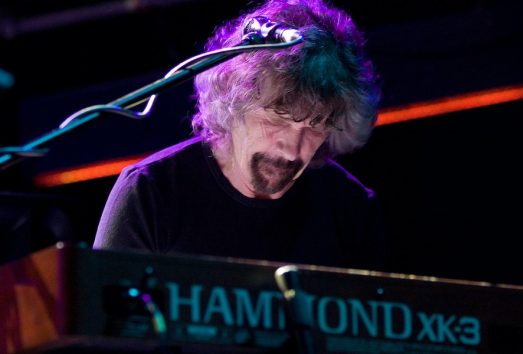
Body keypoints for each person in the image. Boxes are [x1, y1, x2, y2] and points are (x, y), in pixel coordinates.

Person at [93, 0, 386, 271]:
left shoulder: (349, 207)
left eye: (315, 125)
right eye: (277, 118)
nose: (292, 150)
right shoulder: (151, 194)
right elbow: (100, 321)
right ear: (234, 103)